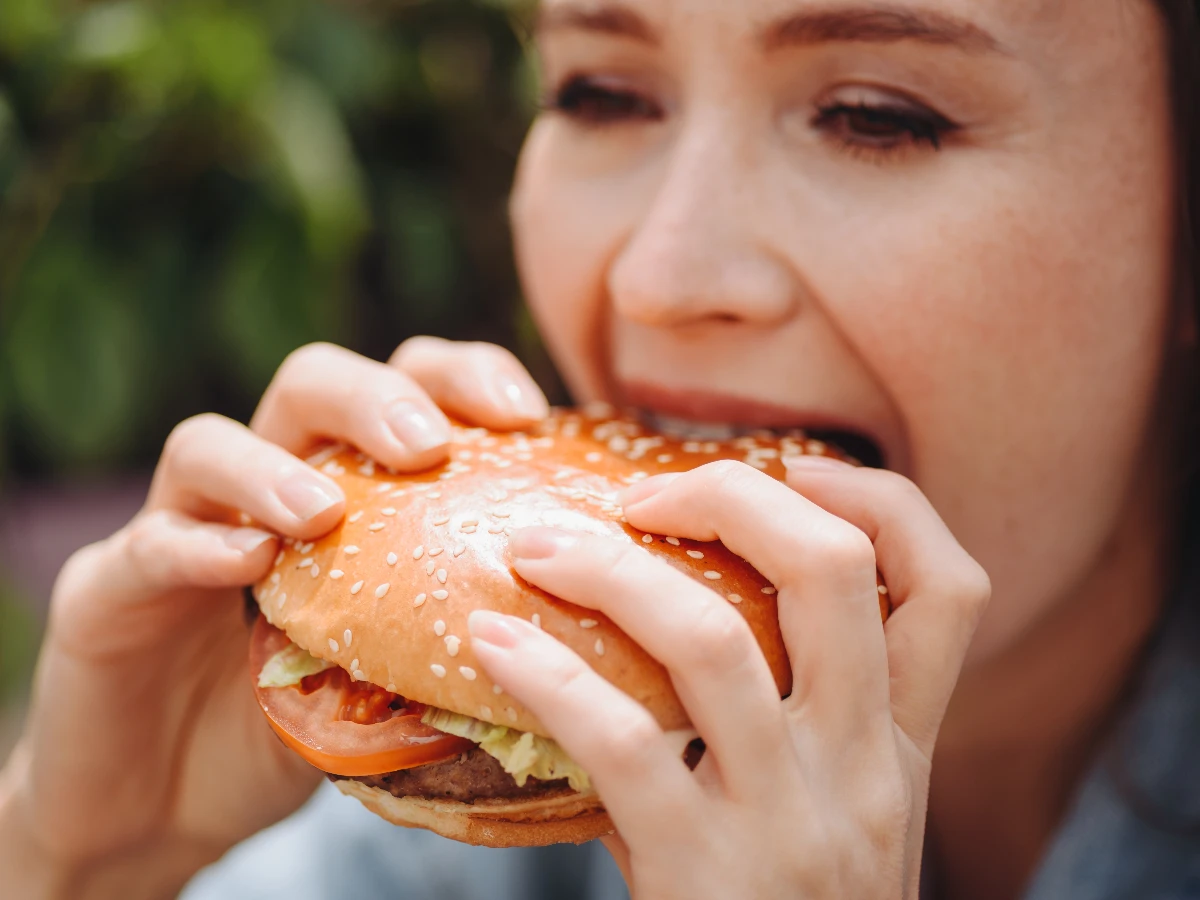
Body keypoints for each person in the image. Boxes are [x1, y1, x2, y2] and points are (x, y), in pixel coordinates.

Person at [2, 0, 1198, 897]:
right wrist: (85, 862)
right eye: (602, 94)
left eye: (878, 116)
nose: (657, 276)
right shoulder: (501, 791)